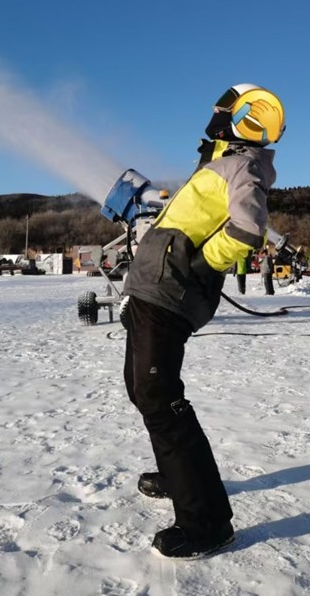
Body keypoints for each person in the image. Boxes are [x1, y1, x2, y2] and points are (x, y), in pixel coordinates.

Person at [122, 83, 285, 559]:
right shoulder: (218, 162)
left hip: (172, 293)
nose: (215, 118)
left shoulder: (245, 167)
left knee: (159, 395)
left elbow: (249, 229)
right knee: (140, 388)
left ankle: (207, 522)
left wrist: (199, 263)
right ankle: (178, 478)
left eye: (223, 112)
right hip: (151, 291)